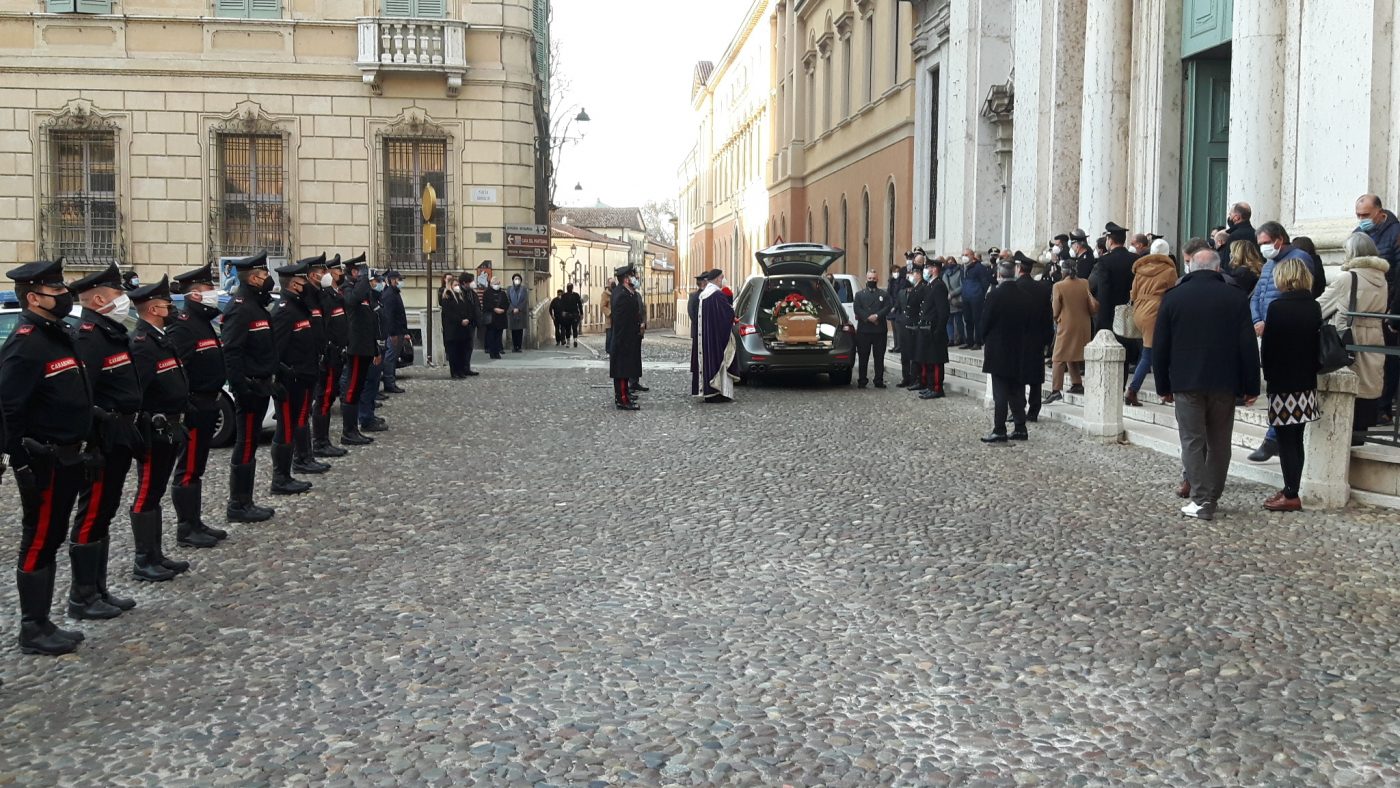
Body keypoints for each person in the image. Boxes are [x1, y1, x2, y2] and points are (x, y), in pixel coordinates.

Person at [2, 258, 97, 655]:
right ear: (34, 297)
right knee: (39, 538)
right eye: (56, 290)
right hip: (45, 459)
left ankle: (43, 621)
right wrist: (20, 459)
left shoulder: (57, 334)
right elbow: (8, 407)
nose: (64, 295)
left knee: (53, 535)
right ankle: (33, 627)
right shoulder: (26, 342)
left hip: (69, 455)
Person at [1153, 249, 1261, 521]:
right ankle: (1211, 495)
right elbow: (1247, 344)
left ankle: (1201, 499)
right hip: (1224, 380)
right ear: (1218, 269)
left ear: (1190, 267)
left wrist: (1162, 385)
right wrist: (1252, 385)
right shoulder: (1235, 296)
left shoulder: (1174, 297)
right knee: (1220, 441)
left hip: (1186, 380)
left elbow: (1160, 345)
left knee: (1192, 439)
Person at [68, 263, 143, 617]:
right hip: (102, 439)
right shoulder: (89, 336)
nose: (125, 299)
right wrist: (92, 442)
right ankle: (82, 596)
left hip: (120, 434)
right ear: (99, 300)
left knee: (105, 511)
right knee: (93, 512)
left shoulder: (110, 331)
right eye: (119, 293)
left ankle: (98, 589)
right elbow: (81, 396)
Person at [127, 275, 195, 582]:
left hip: (171, 425)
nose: (172, 308)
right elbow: (138, 391)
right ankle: (144, 560)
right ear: (154, 309)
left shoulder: (159, 338)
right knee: (147, 492)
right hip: (155, 429)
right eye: (167, 304)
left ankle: (156, 554)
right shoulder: (143, 344)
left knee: (156, 491)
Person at [167, 262, 232, 548]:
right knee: (189, 468)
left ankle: (196, 521)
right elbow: (176, 370)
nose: (213, 292)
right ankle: (186, 528)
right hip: (194, 406)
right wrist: (186, 403)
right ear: (195, 294)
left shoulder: (202, 321)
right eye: (208, 287)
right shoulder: (183, 326)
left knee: (198, 467)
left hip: (209, 402)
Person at [1259, 258, 1322, 512]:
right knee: (1297, 438)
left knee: (1286, 440)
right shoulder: (1313, 306)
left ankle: (1291, 493)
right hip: (1305, 382)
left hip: (1283, 383)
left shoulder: (1277, 307)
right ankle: (1291, 488)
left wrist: (1268, 376)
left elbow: (1269, 348)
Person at [1248, 222, 1314, 462]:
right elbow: (1257, 295)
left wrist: (1270, 322)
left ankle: (1272, 438)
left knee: (1282, 389)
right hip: (1265, 330)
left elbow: (1299, 293)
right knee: (1274, 386)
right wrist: (1257, 320)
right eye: (1260, 244)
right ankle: (1273, 437)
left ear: (1279, 239)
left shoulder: (1299, 259)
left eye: (1266, 242)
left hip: (1285, 331)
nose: (1263, 248)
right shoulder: (1268, 264)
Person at [222, 252, 280, 522]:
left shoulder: (256, 305)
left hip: (261, 385)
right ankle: (238, 504)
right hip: (249, 388)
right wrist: (240, 387)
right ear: (255, 278)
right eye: (265, 274)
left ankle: (246, 500)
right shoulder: (241, 307)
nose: (268, 278)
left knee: (251, 443)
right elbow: (232, 351)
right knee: (245, 444)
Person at [1317, 233, 1390, 442]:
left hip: (1349, 336)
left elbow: (1320, 306)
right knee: (1369, 384)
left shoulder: (1348, 278)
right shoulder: (1381, 278)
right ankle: (1361, 433)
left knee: (1348, 385)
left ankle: (1342, 439)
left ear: (1352, 252)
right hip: (1375, 337)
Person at [269, 258, 322, 495]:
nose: (306, 284)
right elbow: (276, 350)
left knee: (298, 421)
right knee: (286, 429)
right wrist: (284, 374)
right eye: (303, 281)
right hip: (291, 381)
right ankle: (280, 478)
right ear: (293, 284)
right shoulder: (284, 311)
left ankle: (300, 461)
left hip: (305, 376)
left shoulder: (298, 307)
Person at [980, 262, 1031, 442]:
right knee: (1016, 390)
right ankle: (1020, 427)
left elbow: (985, 322)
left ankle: (999, 429)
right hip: (1018, 348)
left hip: (998, 350)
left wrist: (984, 338)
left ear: (999, 275)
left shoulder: (994, 295)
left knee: (1000, 393)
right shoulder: (1024, 296)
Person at [1125, 239, 1179, 406]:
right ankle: (1134, 390)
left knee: (1152, 352)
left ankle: (1165, 391)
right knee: (1150, 354)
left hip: (1139, 311)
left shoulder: (1140, 269)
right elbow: (1173, 294)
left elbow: (1133, 293)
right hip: (1156, 312)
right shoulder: (1169, 270)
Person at [310, 254, 349, 458]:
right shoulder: (321, 297)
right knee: (324, 398)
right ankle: (320, 442)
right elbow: (322, 327)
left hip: (337, 353)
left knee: (328, 397)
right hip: (329, 355)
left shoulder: (332, 295)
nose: (326, 274)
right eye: (323, 271)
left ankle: (323, 440)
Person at [1044, 258, 1097, 403]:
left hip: (1066, 324)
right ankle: (1077, 383)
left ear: (1063, 271)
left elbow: (1055, 309)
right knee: (1071, 353)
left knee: (1058, 358)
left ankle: (1056, 390)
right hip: (1084, 324)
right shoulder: (1084, 282)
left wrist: (1056, 318)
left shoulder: (1058, 286)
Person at [337, 255, 376, 446]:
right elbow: (353, 301)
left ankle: (353, 430)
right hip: (356, 347)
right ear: (354, 272)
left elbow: (369, 320)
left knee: (358, 388)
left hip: (365, 347)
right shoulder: (347, 289)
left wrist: (375, 348)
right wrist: (362, 280)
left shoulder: (361, 290)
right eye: (361, 272)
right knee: (352, 390)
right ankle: (348, 431)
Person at [1015, 258, 1053, 420]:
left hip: (1018, 338)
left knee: (1018, 376)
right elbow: (1048, 316)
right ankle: (1034, 410)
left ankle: (1019, 408)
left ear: (1019, 268)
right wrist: (1047, 340)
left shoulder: (1015, 287)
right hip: (1037, 338)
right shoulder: (1042, 289)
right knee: (1036, 377)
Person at [916, 258, 950, 400]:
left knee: (935, 361)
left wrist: (939, 330)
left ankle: (937, 388)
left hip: (935, 329)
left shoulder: (939, 286)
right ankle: (930, 386)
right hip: (927, 329)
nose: (926, 270)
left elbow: (943, 311)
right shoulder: (931, 285)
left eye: (928, 267)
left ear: (935, 269)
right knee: (929, 360)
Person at [611, 266, 645, 409]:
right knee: (622, 371)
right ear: (626, 279)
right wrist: (625, 341)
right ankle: (623, 400)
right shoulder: (622, 296)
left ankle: (624, 397)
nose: (635, 278)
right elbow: (622, 321)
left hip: (627, 339)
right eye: (632, 276)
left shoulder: (626, 293)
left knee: (625, 370)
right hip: (623, 340)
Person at [852, 269, 892, 389]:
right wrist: (868, 317)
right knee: (863, 357)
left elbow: (887, 307)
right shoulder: (859, 295)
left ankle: (878, 380)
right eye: (870, 278)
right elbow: (857, 308)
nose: (872, 280)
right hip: (864, 330)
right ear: (866, 279)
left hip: (879, 330)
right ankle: (862, 380)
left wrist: (877, 316)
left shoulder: (884, 294)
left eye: (874, 278)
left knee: (879, 357)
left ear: (877, 279)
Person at [895, 266, 925, 388]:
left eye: (912, 273)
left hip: (914, 324)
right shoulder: (901, 292)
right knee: (904, 353)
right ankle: (905, 377)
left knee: (914, 353)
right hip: (903, 324)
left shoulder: (920, 289)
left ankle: (914, 378)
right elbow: (898, 307)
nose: (910, 276)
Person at [440, 273, 474, 378]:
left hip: (462, 329)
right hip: (452, 329)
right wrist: (460, 320)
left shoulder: (461, 296)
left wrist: (467, 318)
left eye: (457, 285)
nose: (457, 287)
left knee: (461, 351)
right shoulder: (447, 297)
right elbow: (449, 313)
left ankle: (461, 371)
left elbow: (466, 309)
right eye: (455, 285)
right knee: (453, 352)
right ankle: (454, 372)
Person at [378, 270, 407, 394]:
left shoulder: (394, 292)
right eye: (398, 279)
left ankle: (391, 381)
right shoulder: (390, 294)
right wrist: (392, 334)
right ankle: (389, 383)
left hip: (399, 330)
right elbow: (389, 316)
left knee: (393, 357)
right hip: (394, 332)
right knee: (390, 358)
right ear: (392, 280)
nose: (400, 282)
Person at [959, 250, 992, 349]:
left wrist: (980, 293)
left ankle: (978, 342)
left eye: (966, 255)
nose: (964, 256)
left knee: (977, 320)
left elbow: (985, 282)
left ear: (972, 256)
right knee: (967, 320)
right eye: (963, 255)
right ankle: (969, 341)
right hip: (966, 297)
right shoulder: (963, 267)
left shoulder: (979, 267)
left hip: (976, 298)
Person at [1219, 202, 1257, 269]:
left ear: (1236, 217)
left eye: (1230, 214)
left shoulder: (1234, 236)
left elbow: (1227, 262)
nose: (1229, 217)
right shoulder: (1256, 233)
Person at [687, 272, 706, 387]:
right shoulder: (694, 296)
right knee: (697, 360)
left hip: (705, 333)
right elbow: (692, 313)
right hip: (698, 331)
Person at [941, 257, 964, 346]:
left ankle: (960, 338)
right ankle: (950, 339)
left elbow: (962, 286)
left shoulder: (959, 272)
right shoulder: (945, 274)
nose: (950, 264)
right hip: (948, 300)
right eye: (948, 262)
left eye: (952, 262)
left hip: (957, 299)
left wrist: (953, 293)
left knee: (958, 321)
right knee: (949, 321)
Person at [484, 276, 508, 359]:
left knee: (498, 336)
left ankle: (497, 352)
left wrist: (503, 309)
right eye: (495, 283)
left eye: (498, 283)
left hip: (501, 318)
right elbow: (486, 304)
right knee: (491, 336)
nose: (496, 285)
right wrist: (494, 309)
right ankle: (492, 352)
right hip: (491, 318)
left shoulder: (502, 293)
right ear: (491, 284)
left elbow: (507, 303)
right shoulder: (487, 293)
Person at [886, 265, 907, 352]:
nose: (896, 273)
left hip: (898, 307)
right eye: (894, 271)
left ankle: (899, 346)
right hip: (892, 307)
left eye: (897, 271)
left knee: (899, 328)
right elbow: (889, 294)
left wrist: (895, 306)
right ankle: (895, 345)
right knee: (894, 327)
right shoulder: (891, 281)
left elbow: (900, 295)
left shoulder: (902, 281)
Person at [507, 273, 529, 352]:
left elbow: (525, 301)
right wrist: (512, 309)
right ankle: (514, 346)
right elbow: (508, 300)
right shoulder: (509, 289)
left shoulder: (523, 289)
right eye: (515, 279)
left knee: (520, 330)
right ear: (513, 280)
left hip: (520, 313)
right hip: (512, 313)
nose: (517, 280)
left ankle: (519, 346)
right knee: (513, 331)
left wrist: (519, 308)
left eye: (518, 279)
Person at [559, 283, 582, 347]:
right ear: (572, 288)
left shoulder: (564, 295)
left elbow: (561, 305)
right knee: (574, 328)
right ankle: (574, 340)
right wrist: (581, 313)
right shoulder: (576, 295)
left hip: (568, 314)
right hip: (573, 314)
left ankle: (569, 342)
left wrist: (562, 312)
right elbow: (580, 305)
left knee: (568, 328)